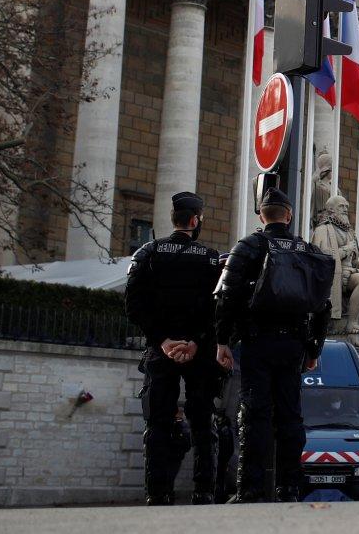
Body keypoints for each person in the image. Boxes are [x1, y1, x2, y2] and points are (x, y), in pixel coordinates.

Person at [214, 187, 332, 503]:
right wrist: (314, 349)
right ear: (289, 215)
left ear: (261, 215)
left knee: (254, 415)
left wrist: (222, 340)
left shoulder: (249, 246)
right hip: (293, 345)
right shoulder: (306, 250)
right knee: (291, 416)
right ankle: (289, 487)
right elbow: (323, 304)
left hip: (257, 342)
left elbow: (226, 295)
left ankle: (249, 488)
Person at [125, 191, 222, 506]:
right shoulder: (210, 257)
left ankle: (158, 491)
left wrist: (162, 340)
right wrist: (194, 340)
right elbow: (215, 309)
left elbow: (133, 304)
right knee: (203, 421)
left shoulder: (149, 252)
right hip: (198, 352)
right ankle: (203, 490)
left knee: (157, 423)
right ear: (195, 221)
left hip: (161, 351)